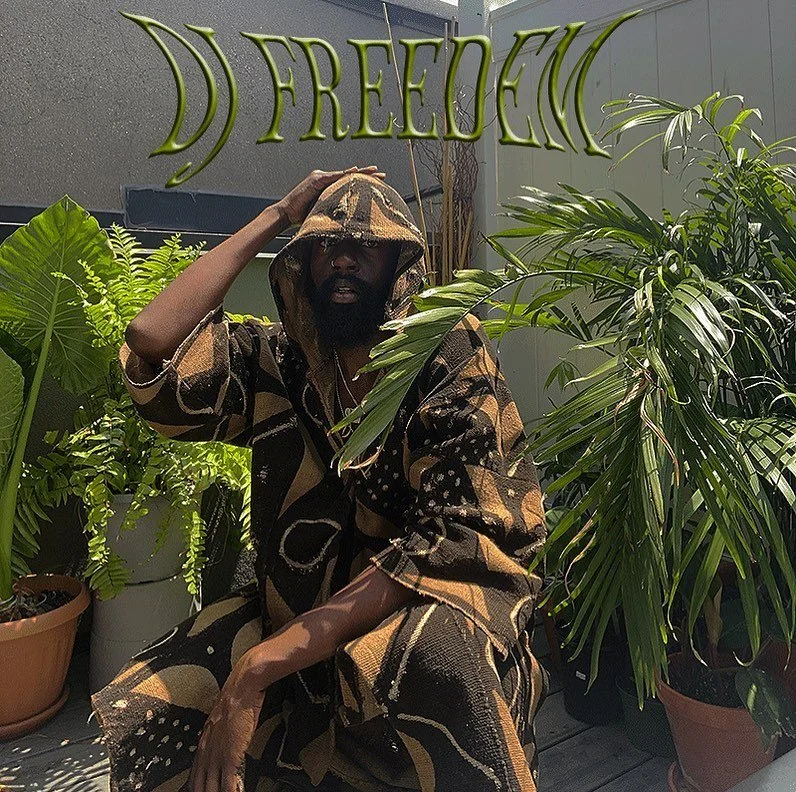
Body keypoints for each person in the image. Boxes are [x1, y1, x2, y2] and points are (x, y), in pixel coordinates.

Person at [90, 166, 550, 792]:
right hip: (298, 615)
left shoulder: (446, 354)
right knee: (160, 701)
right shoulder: (280, 361)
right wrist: (277, 215)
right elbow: (150, 343)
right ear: (301, 264)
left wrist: (260, 666)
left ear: (399, 265)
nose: (343, 260)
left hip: (424, 609)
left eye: (365, 246)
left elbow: (449, 546)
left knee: (431, 654)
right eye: (326, 245)